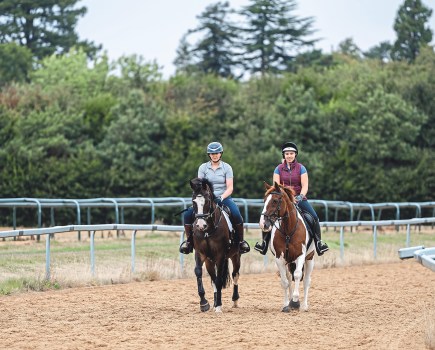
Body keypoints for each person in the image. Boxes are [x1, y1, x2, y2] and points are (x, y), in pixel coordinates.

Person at [254, 141, 329, 256]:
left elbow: (305, 186)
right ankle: (264, 243)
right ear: (283, 155)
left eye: (291, 153)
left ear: (295, 155)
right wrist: (283, 197)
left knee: (314, 217)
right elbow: (276, 187)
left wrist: (300, 197)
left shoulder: (301, 168)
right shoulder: (278, 169)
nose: (289, 156)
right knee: (267, 215)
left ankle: (319, 243)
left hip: (299, 199)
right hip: (283, 200)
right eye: (287, 153)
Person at [179, 141, 250, 255]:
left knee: (237, 214)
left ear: (221, 153)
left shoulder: (227, 167)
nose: (215, 155)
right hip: (206, 199)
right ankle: (189, 242)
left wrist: (221, 197)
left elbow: (230, 187)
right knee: (187, 214)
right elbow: (199, 187)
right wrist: (205, 198)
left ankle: (241, 242)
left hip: (224, 197)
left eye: (217, 153)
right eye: (212, 154)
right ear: (209, 155)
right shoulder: (203, 167)